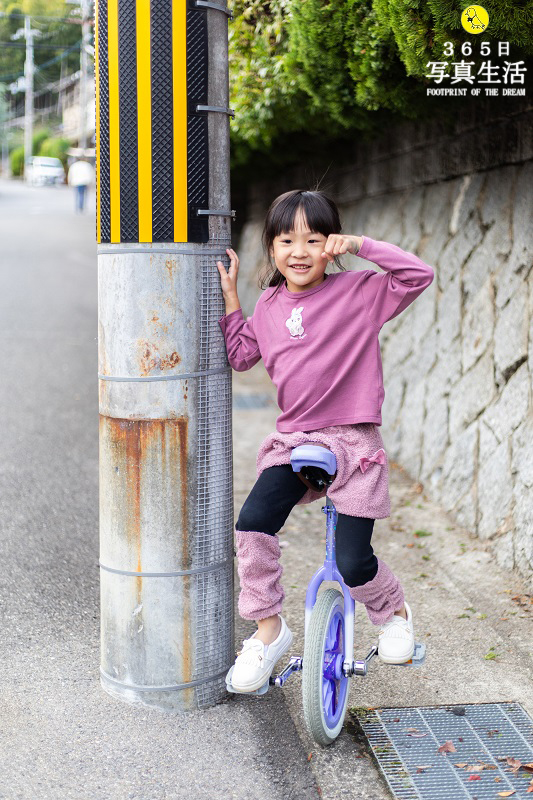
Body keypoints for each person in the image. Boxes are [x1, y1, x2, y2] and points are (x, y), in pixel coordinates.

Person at [216, 189, 434, 693]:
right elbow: (243, 354)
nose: (299, 251)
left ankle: (394, 611)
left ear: (329, 245)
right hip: (296, 441)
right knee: (252, 522)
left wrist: (361, 244)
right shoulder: (270, 303)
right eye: (286, 239)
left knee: (356, 563)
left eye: (313, 239)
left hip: (354, 441)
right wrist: (233, 300)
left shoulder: (359, 292)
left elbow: (416, 276)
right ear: (271, 248)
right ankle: (269, 630)